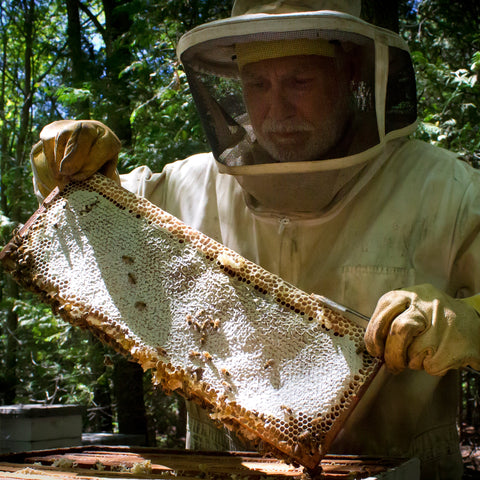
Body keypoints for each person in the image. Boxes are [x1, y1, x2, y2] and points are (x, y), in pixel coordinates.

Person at [29, 1, 480, 478]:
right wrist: (67, 168)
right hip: (219, 468)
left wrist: (465, 322)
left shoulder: (444, 190)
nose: (276, 109)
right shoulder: (187, 187)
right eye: (257, 84)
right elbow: (85, 221)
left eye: (300, 81)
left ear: (351, 72)